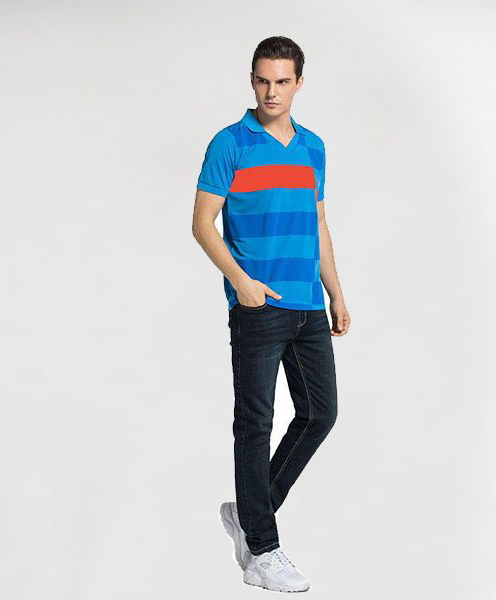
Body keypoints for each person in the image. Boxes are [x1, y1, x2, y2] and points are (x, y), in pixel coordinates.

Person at [192, 36, 350, 593]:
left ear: (299, 83)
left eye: (282, 81)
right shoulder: (229, 143)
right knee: (255, 424)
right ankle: (262, 549)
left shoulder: (313, 147)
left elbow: (319, 224)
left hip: (308, 304)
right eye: (263, 80)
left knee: (320, 414)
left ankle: (249, 513)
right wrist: (241, 283)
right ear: (252, 80)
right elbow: (202, 223)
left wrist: (336, 293)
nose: (271, 92)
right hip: (258, 306)